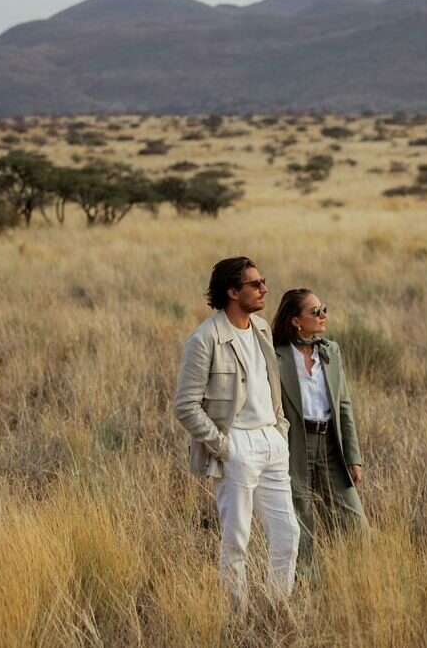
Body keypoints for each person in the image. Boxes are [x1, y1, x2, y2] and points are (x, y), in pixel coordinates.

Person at [172, 256, 300, 612]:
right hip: (236, 445)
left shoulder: (260, 328)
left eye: (263, 282)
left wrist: (280, 429)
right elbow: (185, 405)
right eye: (255, 285)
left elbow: (270, 384)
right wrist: (224, 447)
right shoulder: (205, 339)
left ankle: (279, 608)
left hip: (272, 441)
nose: (264, 289)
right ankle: (236, 614)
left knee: (288, 535)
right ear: (232, 291)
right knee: (236, 540)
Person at [270, 289, 367, 578]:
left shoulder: (330, 351)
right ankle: (306, 587)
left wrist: (353, 456)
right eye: (315, 312)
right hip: (294, 444)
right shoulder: (277, 357)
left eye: (324, 309)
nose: (323, 315)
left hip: (330, 444)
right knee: (300, 522)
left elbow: (344, 405)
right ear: (296, 321)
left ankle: (354, 580)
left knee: (353, 522)